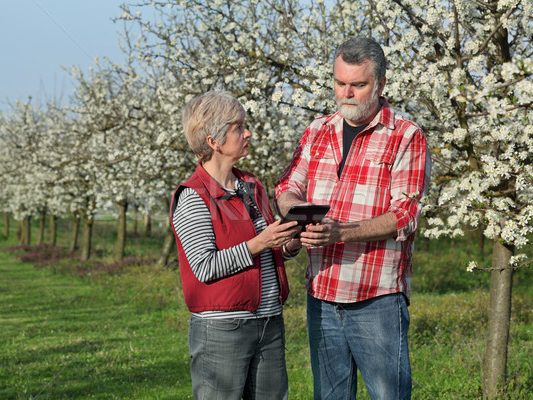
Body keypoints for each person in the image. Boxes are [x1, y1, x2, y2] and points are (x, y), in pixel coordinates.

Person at [275, 37, 431, 400]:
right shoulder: (317, 130)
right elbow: (287, 184)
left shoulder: (406, 136)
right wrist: (297, 214)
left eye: (358, 85)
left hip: (376, 298)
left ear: (380, 84)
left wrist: (340, 232)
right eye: (339, 82)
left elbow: (405, 215)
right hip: (322, 294)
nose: (346, 92)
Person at [170, 91, 302, 399]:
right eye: (238, 127)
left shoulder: (251, 186)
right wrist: (258, 243)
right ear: (213, 140)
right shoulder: (193, 197)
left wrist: (288, 245)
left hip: (269, 322)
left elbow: (267, 249)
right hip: (222, 329)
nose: (248, 133)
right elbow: (204, 267)